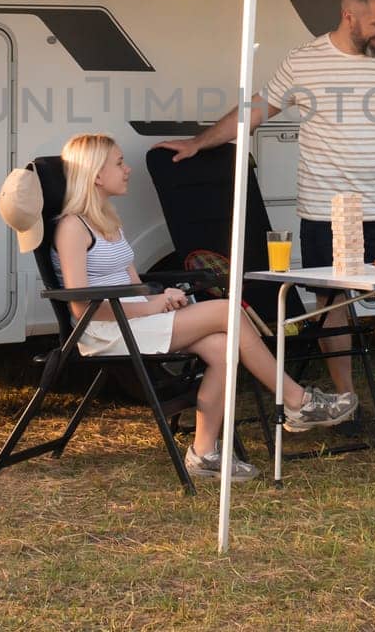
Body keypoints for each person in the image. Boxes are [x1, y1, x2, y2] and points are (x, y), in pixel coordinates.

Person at [159, 0, 375, 396]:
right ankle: (345, 398)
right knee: (333, 305)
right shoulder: (304, 62)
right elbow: (255, 110)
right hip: (325, 210)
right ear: (348, 15)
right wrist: (200, 141)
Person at [52, 133, 359, 481]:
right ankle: (296, 400)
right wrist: (152, 306)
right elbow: (81, 307)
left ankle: (204, 453)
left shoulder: (108, 221)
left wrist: (162, 296)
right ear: (95, 174)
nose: (128, 169)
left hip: (135, 320)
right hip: (106, 330)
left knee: (224, 348)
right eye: (119, 162)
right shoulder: (72, 228)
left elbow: (134, 285)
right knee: (227, 310)